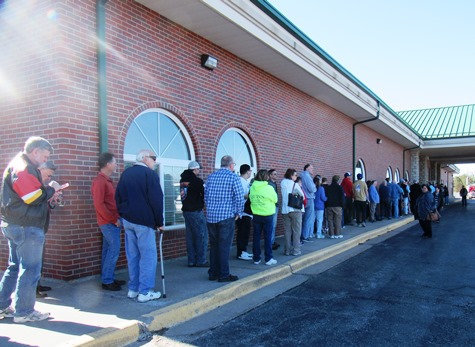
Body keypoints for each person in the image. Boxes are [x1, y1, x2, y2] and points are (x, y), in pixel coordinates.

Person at [0, 136, 60, 323]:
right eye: (44, 155)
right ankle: (24, 312)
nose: (45, 159)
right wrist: (51, 189)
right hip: (27, 226)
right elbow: (32, 197)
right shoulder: (24, 167)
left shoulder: (18, 165)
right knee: (30, 269)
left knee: (15, 266)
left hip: (15, 223)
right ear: (35, 151)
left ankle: (2, 306)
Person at [115, 150, 164, 302]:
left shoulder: (126, 173)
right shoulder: (149, 175)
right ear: (144, 158)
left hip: (128, 220)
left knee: (133, 256)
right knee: (148, 257)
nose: (155, 161)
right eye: (153, 158)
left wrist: (123, 214)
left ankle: (133, 289)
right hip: (144, 221)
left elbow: (118, 197)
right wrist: (159, 222)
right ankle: (145, 291)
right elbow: (156, 200)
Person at [204, 155, 244, 282]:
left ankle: (213, 272)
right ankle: (224, 274)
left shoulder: (211, 177)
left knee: (214, 245)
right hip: (226, 216)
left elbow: (205, 196)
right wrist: (239, 212)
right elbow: (239, 197)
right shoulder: (233, 177)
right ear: (231, 165)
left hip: (211, 217)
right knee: (224, 247)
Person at [91, 152, 125, 291]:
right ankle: (107, 280)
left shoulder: (107, 181)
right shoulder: (99, 181)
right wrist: (113, 220)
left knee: (108, 250)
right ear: (107, 164)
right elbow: (99, 205)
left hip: (111, 221)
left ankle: (108, 277)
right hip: (108, 223)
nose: (116, 165)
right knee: (113, 250)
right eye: (114, 162)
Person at [180, 160, 208, 268]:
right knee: (202, 235)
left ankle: (191, 261)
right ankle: (201, 260)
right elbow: (204, 193)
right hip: (195, 211)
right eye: (198, 169)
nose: (198, 171)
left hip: (186, 211)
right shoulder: (197, 181)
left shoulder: (182, 180)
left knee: (190, 236)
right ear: (195, 169)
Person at [36, 161, 57, 298]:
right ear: (40, 169)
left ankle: (37, 284)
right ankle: (33, 289)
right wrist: (51, 190)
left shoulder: (42, 187)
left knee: (39, 259)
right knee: (33, 261)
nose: (49, 178)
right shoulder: (34, 186)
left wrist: (52, 201)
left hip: (41, 227)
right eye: (48, 175)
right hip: (33, 228)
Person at [250, 169, 278, 265]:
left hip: (256, 215)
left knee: (256, 237)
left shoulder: (252, 187)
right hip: (267, 215)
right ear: (266, 177)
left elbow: (250, 198)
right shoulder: (269, 188)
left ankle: (256, 258)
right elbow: (275, 199)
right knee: (267, 237)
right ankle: (268, 258)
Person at [281, 169, 304, 256]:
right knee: (296, 231)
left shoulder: (282, 183)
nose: (296, 177)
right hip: (295, 210)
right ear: (291, 175)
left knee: (287, 231)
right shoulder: (295, 184)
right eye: (295, 175)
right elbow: (302, 196)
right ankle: (296, 251)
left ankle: (287, 250)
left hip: (285, 210)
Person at [236, 164, 253, 261]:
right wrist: (252, 195)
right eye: (250, 170)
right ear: (247, 171)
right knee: (242, 233)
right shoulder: (241, 182)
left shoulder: (245, 182)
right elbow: (242, 196)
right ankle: (241, 252)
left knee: (245, 233)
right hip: (243, 212)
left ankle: (244, 251)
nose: (251, 172)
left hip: (246, 212)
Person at [300, 164, 316, 242]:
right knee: (308, 219)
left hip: (303, 199)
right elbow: (312, 189)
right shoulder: (307, 176)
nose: (313, 169)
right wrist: (315, 187)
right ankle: (305, 236)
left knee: (302, 219)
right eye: (311, 168)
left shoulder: (301, 175)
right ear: (307, 168)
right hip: (309, 199)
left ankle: (301, 236)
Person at [267, 169, 280, 251]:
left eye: (276, 174)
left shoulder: (274, 183)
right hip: (272, 207)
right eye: (274, 174)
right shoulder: (270, 184)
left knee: (273, 225)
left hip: (275, 206)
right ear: (270, 175)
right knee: (272, 225)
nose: (276, 175)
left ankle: (272, 241)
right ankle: (270, 243)